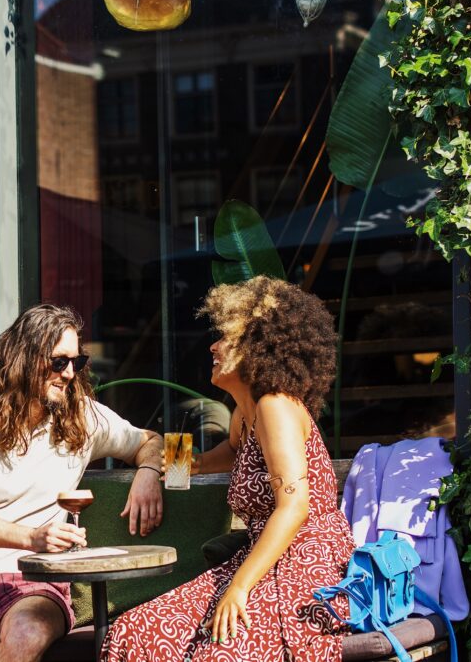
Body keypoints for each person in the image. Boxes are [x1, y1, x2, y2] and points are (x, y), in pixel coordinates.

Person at [100, 275, 356, 662]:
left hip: (305, 567)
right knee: (132, 633)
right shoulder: (245, 411)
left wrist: (239, 588)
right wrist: (164, 463)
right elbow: (229, 453)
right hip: (260, 561)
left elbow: (295, 507)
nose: (213, 346)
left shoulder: (276, 406)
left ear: (258, 348)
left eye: (226, 338)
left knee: (216, 653)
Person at [0, 304, 165, 662]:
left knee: (27, 636)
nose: (70, 373)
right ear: (23, 357)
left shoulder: (82, 416)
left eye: (78, 362)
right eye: (59, 362)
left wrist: (148, 474)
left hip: (33, 583)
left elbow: (150, 441)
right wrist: (33, 537)